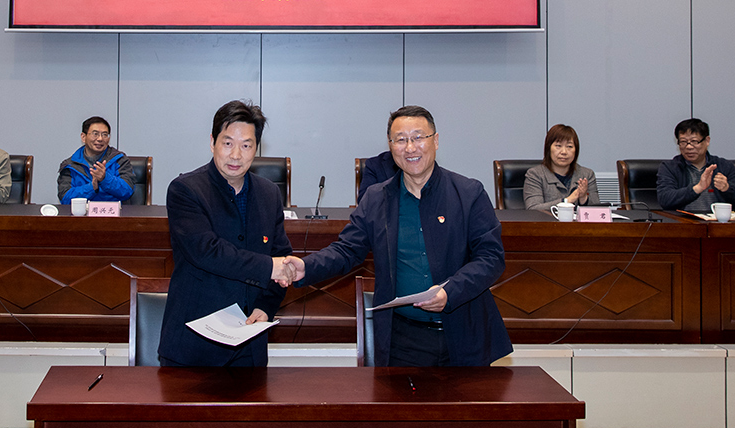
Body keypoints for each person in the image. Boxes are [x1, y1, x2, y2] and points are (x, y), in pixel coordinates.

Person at [283, 106, 511, 367]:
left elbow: (491, 258)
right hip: (403, 340)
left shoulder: (468, 193)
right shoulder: (377, 199)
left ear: (436, 140)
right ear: (391, 146)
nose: (410, 148)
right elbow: (347, 250)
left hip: (465, 333)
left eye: (418, 137)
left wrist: (450, 291)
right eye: (400, 140)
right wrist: (306, 267)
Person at [158, 100, 294, 367]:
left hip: (249, 347)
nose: (236, 155)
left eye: (246, 145)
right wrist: (269, 267)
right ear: (212, 142)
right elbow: (207, 252)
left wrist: (266, 307)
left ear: (256, 148)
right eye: (228, 143)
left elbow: (281, 256)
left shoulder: (268, 193)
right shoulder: (185, 190)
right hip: (193, 347)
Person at [657, 118, 735, 211]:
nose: (688, 147)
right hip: (683, 219)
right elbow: (665, 200)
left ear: (707, 141)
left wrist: (727, 189)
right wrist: (697, 188)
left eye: (694, 141)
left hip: (716, 219)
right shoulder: (670, 168)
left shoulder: (724, 166)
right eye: (683, 142)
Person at [57, 116, 135, 203]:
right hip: (82, 211)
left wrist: (105, 179)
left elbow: (128, 190)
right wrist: (92, 187)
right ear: (83, 137)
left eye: (104, 134)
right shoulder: (70, 165)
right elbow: (65, 198)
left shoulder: (119, 160)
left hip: (113, 211)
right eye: (95, 134)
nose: (100, 139)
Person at [523, 124, 600, 211]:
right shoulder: (535, 175)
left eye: (569, 146)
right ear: (548, 148)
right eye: (558, 146)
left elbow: (598, 210)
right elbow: (533, 209)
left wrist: (583, 198)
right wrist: (567, 201)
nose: (564, 152)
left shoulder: (586, 175)